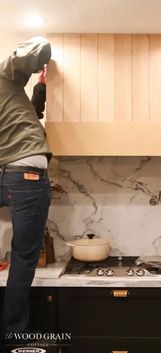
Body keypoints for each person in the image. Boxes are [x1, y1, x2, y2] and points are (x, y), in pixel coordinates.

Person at [0, 36, 52, 349]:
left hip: (6, 171)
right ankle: (13, 338)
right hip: (26, 175)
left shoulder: (9, 95)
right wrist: (30, 60)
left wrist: (40, 88)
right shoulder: (4, 74)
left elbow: (22, 118)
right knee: (23, 257)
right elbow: (41, 46)